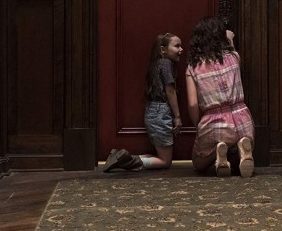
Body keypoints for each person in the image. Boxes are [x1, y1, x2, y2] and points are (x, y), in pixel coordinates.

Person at [102, 32, 183, 171]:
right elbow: (170, 90)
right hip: (161, 113)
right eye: (177, 46)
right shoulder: (166, 63)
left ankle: (122, 157)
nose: (181, 49)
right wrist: (177, 117)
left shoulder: (156, 64)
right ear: (163, 50)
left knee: (160, 155)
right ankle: (124, 161)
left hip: (152, 112)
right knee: (165, 161)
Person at [185, 17, 255, 177]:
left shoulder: (193, 67)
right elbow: (231, 48)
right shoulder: (233, 58)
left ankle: (218, 153)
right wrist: (229, 38)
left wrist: (198, 126)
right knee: (240, 146)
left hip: (214, 122)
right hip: (243, 119)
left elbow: (193, 104)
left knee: (198, 163)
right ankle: (242, 150)